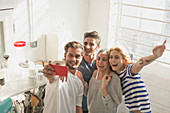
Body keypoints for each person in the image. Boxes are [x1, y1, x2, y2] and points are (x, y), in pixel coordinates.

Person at [108, 41, 166, 113]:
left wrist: (155, 56)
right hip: (132, 110)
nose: (113, 60)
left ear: (124, 59)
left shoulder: (128, 70)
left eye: (117, 57)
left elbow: (140, 63)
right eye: (111, 57)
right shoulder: (116, 76)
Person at [43, 41, 84, 113]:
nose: (73, 59)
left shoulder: (79, 82)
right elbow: (54, 68)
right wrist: (61, 65)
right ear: (65, 56)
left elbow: (78, 107)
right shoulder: (58, 74)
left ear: (81, 58)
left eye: (77, 56)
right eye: (70, 55)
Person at [77, 31, 100, 113]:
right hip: (79, 105)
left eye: (91, 44)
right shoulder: (78, 60)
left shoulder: (100, 62)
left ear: (98, 47)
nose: (87, 46)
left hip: (95, 105)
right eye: (85, 43)